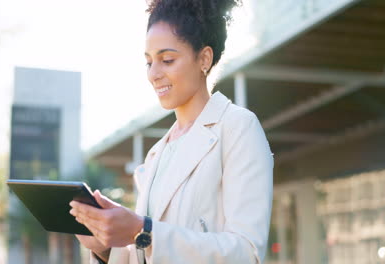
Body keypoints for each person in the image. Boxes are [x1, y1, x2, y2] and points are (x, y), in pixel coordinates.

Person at [69, 0, 273, 263]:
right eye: (149, 62)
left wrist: (143, 229)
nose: (153, 74)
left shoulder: (238, 127)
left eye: (167, 60)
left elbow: (247, 253)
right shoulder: (157, 152)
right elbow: (147, 252)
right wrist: (105, 245)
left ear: (204, 58)